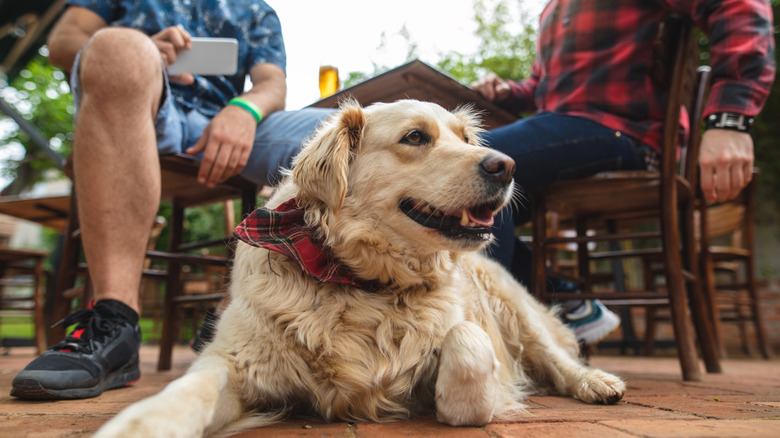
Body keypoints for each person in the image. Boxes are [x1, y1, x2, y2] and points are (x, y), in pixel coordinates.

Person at [11, 0, 334, 400]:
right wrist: (145, 49)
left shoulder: (255, 9)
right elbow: (63, 44)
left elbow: (273, 84)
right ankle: (115, 323)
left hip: (224, 119)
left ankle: (246, 316)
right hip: (142, 104)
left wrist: (244, 108)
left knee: (343, 134)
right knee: (118, 48)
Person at [471, 0, 775, 345]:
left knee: (476, 165)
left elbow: (738, 6)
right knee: (470, 204)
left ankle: (485, 342)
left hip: (629, 134)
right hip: (566, 127)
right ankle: (569, 303)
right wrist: (508, 92)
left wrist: (729, 120)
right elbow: (543, 88)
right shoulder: (552, 10)